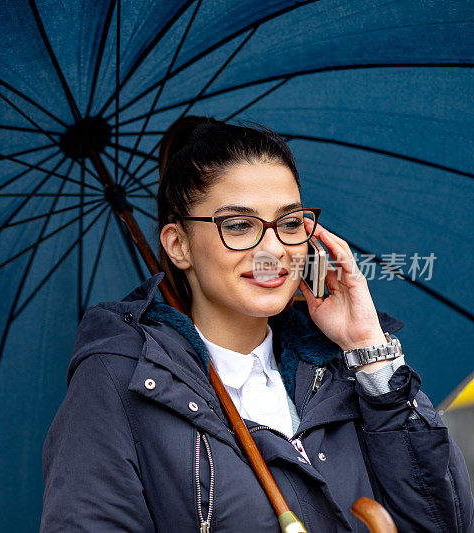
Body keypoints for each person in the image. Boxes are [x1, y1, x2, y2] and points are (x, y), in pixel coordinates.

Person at [40, 115, 474, 531]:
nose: (273, 250)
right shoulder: (118, 381)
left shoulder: (346, 366)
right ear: (178, 245)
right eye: (240, 225)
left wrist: (368, 349)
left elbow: (445, 521)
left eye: (288, 223)